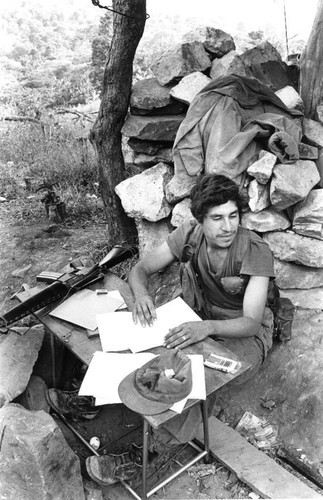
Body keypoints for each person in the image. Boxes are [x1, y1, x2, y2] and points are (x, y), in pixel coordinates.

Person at [85, 173, 276, 486]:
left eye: (233, 216)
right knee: (154, 351)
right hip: (199, 318)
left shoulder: (254, 250)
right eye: (217, 218)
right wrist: (142, 293)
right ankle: (96, 397)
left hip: (244, 337)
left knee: (198, 379)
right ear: (200, 219)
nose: (227, 227)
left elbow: (250, 322)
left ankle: (150, 453)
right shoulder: (190, 233)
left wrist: (205, 328)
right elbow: (141, 269)